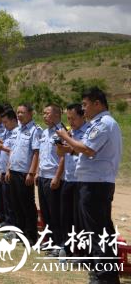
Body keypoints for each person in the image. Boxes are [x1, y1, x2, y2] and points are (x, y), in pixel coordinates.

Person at [55, 88, 122, 282]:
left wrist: (65, 135)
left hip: (96, 185)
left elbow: (88, 149)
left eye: (85, 105)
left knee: (97, 231)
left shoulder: (104, 124)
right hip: (93, 183)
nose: (83, 109)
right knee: (101, 230)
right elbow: (85, 151)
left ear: (97, 104)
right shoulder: (98, 124)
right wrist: (68, 149)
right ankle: (105, 272)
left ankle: (103, 276)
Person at [6, 104, 42, 243]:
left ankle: (31, 235)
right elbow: (12, 151)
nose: (19, 115)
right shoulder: (17, 130)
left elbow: (36, 152)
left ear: (30, 113)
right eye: (18, 112)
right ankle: (19, 233)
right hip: (14, 171)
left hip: (25, 173)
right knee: (16, 204)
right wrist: (9, 168)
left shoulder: (35, 130)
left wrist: (32, 173)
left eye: (22, 112)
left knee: (27, 204)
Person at [56, 103, 88, 258]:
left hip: (81, 181)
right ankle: (66, 248)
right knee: (66, 216)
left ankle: (81, 252)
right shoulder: (70, 132)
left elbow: (83, 152)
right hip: (68, 179)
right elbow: (61, 153)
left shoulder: (88, 132)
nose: (71, 122)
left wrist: (67, 139)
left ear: (83, 116)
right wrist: (60, 144)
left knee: (80, 218)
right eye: (68, 118)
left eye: (73, 118)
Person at [37, 104, 65, 255]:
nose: (44, 116)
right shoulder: (44, 132)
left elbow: (63, 157)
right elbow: (42, 154)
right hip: (42, 176)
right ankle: (50, 241)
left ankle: (59, 243)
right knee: (45, 212)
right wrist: (37, 173)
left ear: (56, 115)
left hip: (53, 178)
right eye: (43, 113)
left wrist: (57, 176)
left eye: (47, 113)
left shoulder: (62, 132)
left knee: (55, 213)